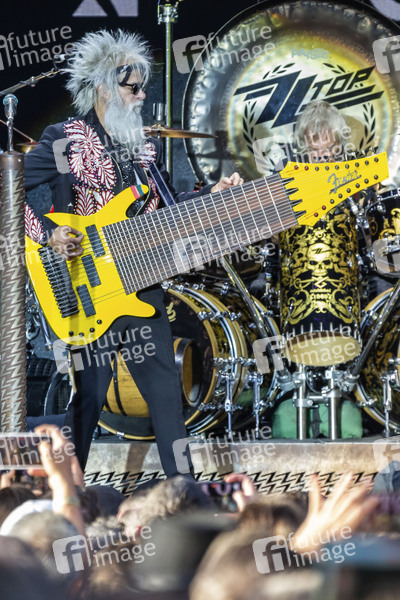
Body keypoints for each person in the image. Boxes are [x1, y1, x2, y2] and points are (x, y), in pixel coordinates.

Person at [24, 29, 243, 476]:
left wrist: (212, 195)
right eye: (133, 88)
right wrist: (49, 234)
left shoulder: (143, 148)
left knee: (165, 394)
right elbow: (10, 186)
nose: (143, 96)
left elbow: (167, 207)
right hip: (88, 289)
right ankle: (66, 492)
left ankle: (185, 489)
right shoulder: (66, 141)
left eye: (143, 87)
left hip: (141, 282)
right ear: (105, 88)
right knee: (89, 396)